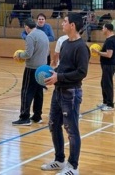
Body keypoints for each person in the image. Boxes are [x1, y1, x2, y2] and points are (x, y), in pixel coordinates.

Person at [41, 12, 90, 175]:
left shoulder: (81, 47)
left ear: (73, 25)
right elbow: (63, 67)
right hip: (58, 91)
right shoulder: (65, 43)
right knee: (54, 125)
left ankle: (73, 167)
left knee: (71, 129)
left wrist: (59, 77)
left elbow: (81, 72)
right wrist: (51, 74)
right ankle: (60, 160)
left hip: (72, 93)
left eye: (65, 21)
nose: (62, 24)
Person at [12, 18, 49, 125]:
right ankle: (37, 116)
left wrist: (19, 55)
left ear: (27, 27)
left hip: (32, 69)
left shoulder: (30, 36)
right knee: (38, 93)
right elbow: (47, 52)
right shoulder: (43, 34)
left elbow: (28, 54)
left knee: (26, 93)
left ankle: (24, 117)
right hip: (42, 68)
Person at [91, 23, 115, 111]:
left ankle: (110, 105)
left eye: (103, 28)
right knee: (103, 83)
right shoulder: (110, 39)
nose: (102, 30)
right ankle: (105, 102)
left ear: (107, 29)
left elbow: (109, 55)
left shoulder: (111, 40)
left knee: (108, 84)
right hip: (107, 65)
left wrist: (98, 52)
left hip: (109, 65)